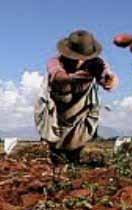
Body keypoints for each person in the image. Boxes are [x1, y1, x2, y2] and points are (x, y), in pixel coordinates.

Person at [35, 30, 119, 164]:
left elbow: (107, 77)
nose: (79, 60)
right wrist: (71, 78)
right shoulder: (56, 61)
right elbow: (57, 74)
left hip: (81, 108)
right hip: (58, 107)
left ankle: (74, 159)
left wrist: (109, 80)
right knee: (57, 147)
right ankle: (57, 159)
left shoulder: (96, 63)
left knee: (77, 143)